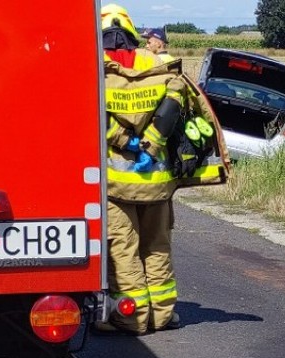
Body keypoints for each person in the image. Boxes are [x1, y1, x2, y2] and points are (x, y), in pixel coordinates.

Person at [96, 3, 186, 335]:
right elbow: (178, 98)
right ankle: (162, 315)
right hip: (157, 181)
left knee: (124, 250)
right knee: (157, 246)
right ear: (132, 31)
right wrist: (151, 141)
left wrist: (125, 141)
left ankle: (131, 318)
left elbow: (93, 115)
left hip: (117, 186)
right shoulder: (157, 64)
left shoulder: (95, 68)